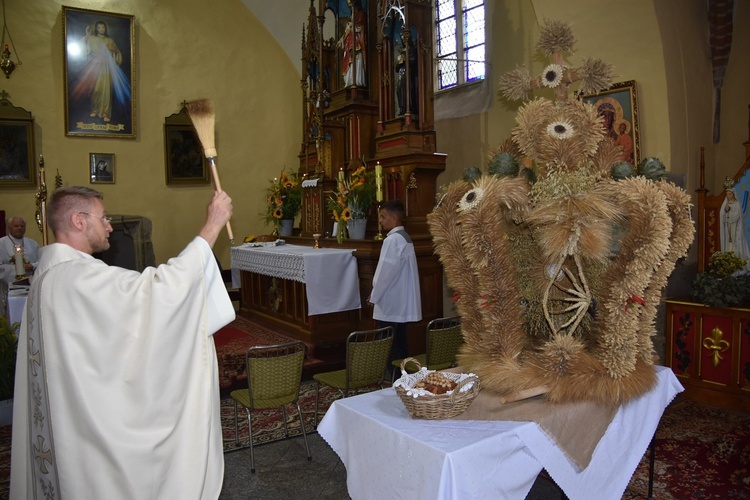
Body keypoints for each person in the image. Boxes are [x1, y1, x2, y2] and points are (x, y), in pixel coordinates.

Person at [11, 186, 235, 499]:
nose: (110, 226)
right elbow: (159, 293)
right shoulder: (75, 279)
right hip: (85, 436)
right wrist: (211, 226)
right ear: (78, 220)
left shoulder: (49, 277)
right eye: (103, 218)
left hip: (70, 418)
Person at [367, 199, 421, 368]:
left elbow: (385, 273)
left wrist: (374, 296)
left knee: (390, 344)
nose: (381, 221)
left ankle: (393, 379)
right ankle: (403, 377)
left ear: (394, 217)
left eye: (383, 217)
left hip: (390, 300)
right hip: (401, 299)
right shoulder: (405, 238)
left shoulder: (392, 240)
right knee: (400, 342)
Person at [71, 20, 131, 123]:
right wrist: (87, 35)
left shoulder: (110, 40)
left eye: (103, 27)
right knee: (97, 89)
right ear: (96, 29)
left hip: (107, 68)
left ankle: (105, 113)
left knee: (106, 90)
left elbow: (117, 54)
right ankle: (95, 109)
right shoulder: (93, 39)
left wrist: (115, 51)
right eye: (99, 27)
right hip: (96, 67)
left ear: (105, 29)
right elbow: (85, 49)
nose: (101, 29)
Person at [337, 0, 367, 87]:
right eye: (349, 6)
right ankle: (349, 81)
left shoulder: (361, 14)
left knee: (356, 60)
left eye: (352, 5)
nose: (351, 7)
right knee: (348, 61)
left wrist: (353, 25)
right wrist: (341, 41)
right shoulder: (350, 17)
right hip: (348, 43)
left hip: (356, 42)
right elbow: (346, 31)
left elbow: (360, 27)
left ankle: (357, 81)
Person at [720, 187, 750, 270]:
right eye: (727, 194)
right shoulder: (726, 203)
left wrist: (729, 212)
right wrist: (726, 211)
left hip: (735, 226)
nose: (728, 196)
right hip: (727, 227)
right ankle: (728, 260)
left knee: (734, 243)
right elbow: (722, 215)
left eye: (730, 194)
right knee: (728, 243)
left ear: (733, 194)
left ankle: (735, 260)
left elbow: (737, 215)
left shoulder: (737, 203)